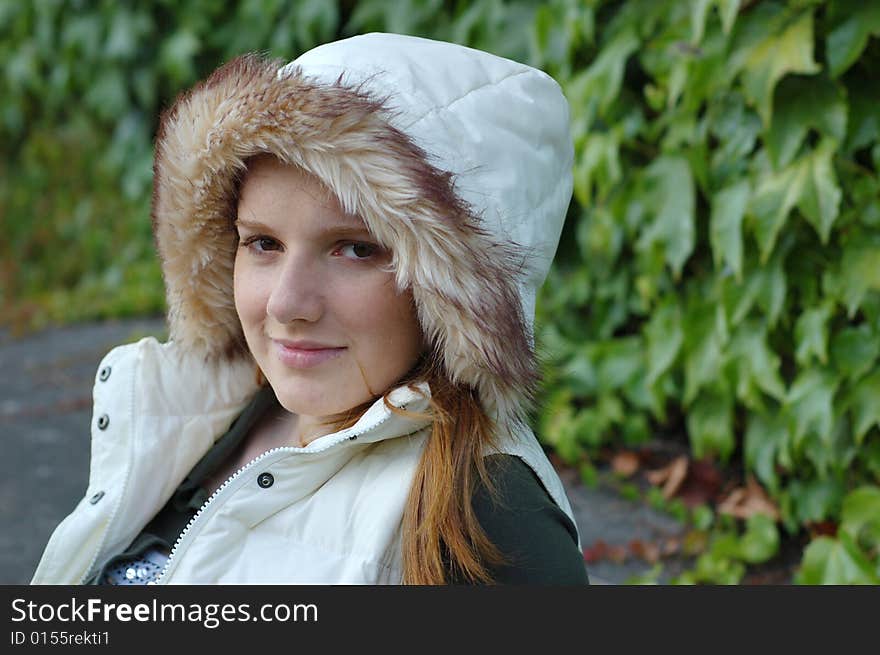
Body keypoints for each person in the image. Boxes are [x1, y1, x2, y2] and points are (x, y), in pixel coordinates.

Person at [31, 33, 588, 585]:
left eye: (356, 249)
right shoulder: (201, 415)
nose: (286, 303)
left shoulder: (492, 515)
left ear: (455, 292)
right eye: (263, 243)